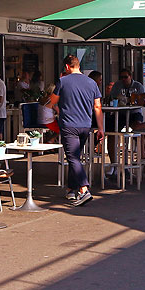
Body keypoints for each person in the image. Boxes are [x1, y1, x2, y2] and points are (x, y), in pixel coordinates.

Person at [49, 54, 104, 206]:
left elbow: (52, 101)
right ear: (78, 65)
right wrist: (100, 128)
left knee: (72, 158)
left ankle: (84, 189)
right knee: (76, 157)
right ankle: (70, 190)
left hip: (69, 125)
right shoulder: (92, 82)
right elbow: (97, 106)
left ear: (67, 67)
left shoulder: (63, 81)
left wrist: (56, 107)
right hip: (85, 125)